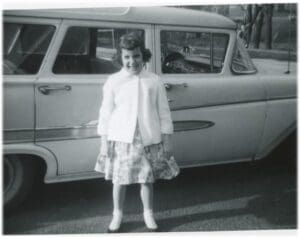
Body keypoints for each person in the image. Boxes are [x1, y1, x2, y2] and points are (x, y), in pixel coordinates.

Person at [94, 32, 180, 233]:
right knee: (119, 180)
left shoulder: (154, 80)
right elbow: (105, 113)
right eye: (127, 57)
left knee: (146, 179)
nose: (132, 61)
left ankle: (148, 213)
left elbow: (164, 113)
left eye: (136, 56)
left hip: (148, 139)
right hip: (121, 139)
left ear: (144, 56)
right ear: (120, 58)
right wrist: (103, 142)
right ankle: (117, 214)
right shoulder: (113, 81)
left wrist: (167, 140)